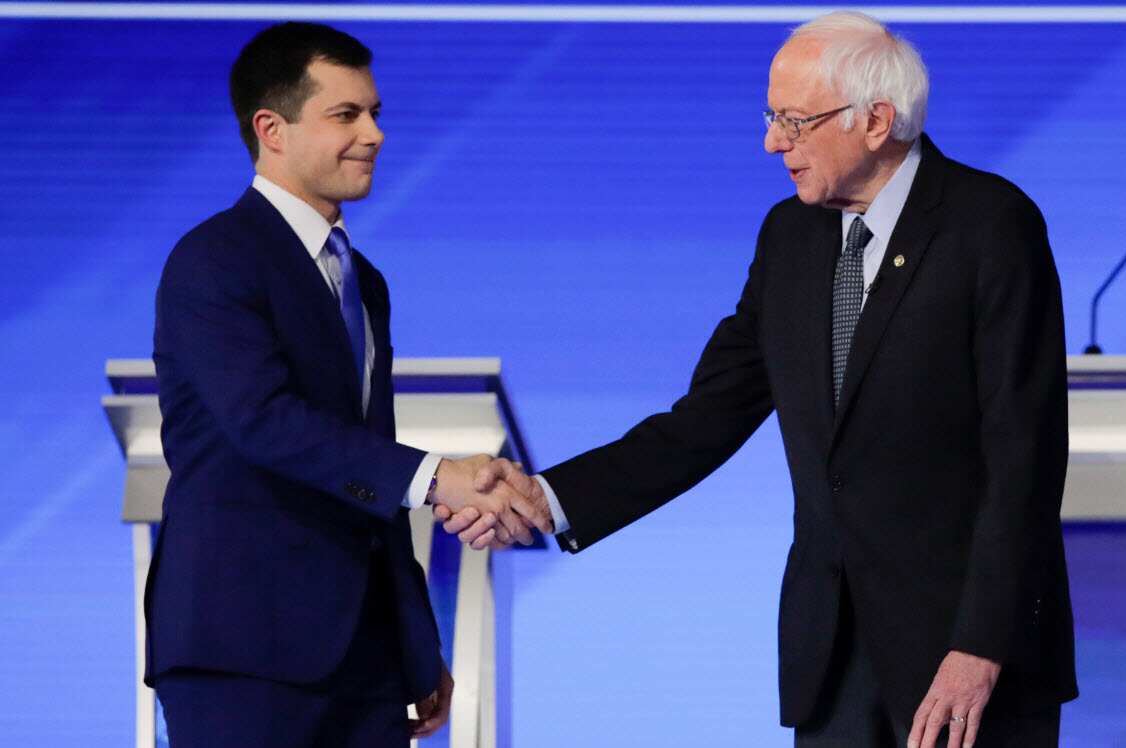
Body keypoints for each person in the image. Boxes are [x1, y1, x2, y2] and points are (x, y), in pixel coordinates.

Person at [440, 11, 1077, 747]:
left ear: (875, 121)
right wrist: (548, 499)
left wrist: (980, 646)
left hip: (961, 662)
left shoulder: (989, 225)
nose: (773, 142)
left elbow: (1024, 457)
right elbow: (704, 418)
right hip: (831, 660)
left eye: (794, 121)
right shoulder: (790, 236)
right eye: (771, 118)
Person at [147, 21, 550, 748]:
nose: (374, 134)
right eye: (346, 115)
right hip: (244, 649)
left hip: (364, 662)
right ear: (271, 129)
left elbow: (365, 467)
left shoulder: (364, 281)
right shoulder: (214, 258)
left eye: (375, 113)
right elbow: (264, 421)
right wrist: (442, 478)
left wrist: (414, 643)